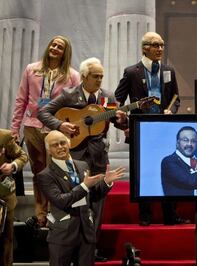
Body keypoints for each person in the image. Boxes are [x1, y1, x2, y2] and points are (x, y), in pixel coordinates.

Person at [37, 57, 127, 261]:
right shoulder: (69, 95)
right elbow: (43, 112)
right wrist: (60, 126)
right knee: (74, 198)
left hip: (98, 155)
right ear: (84, 77)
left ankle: (91, 248)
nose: (99, 80)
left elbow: (118, 120)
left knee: (97, 202)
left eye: (102, 76)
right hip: (75, 156)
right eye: (95, 76)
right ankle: (70, 245)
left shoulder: (107, 97)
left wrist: (122, 120)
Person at [115, 31, 186, 226]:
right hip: (140, 129)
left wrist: (171, 111)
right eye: (156, 45)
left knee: (171, 170)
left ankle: (170, 215)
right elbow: (118, 100)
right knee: (143, 172)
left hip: (164, 129)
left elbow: (175, 98)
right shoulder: (132, 72)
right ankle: (145, 215)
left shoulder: (168, 70)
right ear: (144, 48)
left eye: (162, 45)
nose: (160, 49)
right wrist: (122, 122)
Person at [10, 35, 80, 227]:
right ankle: (40, 214)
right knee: (39, 171)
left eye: (60, 46)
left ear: (65, 52)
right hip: (32, 126)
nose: (55, 48)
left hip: (57, 128)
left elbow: (75, 106)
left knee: (57, 171)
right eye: (53, 44)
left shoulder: (72, 75)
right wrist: (15, 128)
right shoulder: (31, 69)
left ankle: (55, 212)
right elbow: (21, 100)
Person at [37, 130, 125, 266]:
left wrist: (106, 182)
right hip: (63, 234)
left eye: (62, 143)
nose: (60, 147)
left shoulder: (83, 165)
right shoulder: (45, 175)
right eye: (55, 145)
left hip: (86, 232)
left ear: (69, 144)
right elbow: (61, 201)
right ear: (49, 151)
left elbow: (93, 195)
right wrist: (84, 186)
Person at [0, 129, 28, 266]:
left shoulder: (4, 136)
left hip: (3, 197)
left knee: (6, 240)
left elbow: (23, 156)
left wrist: (13, 165)